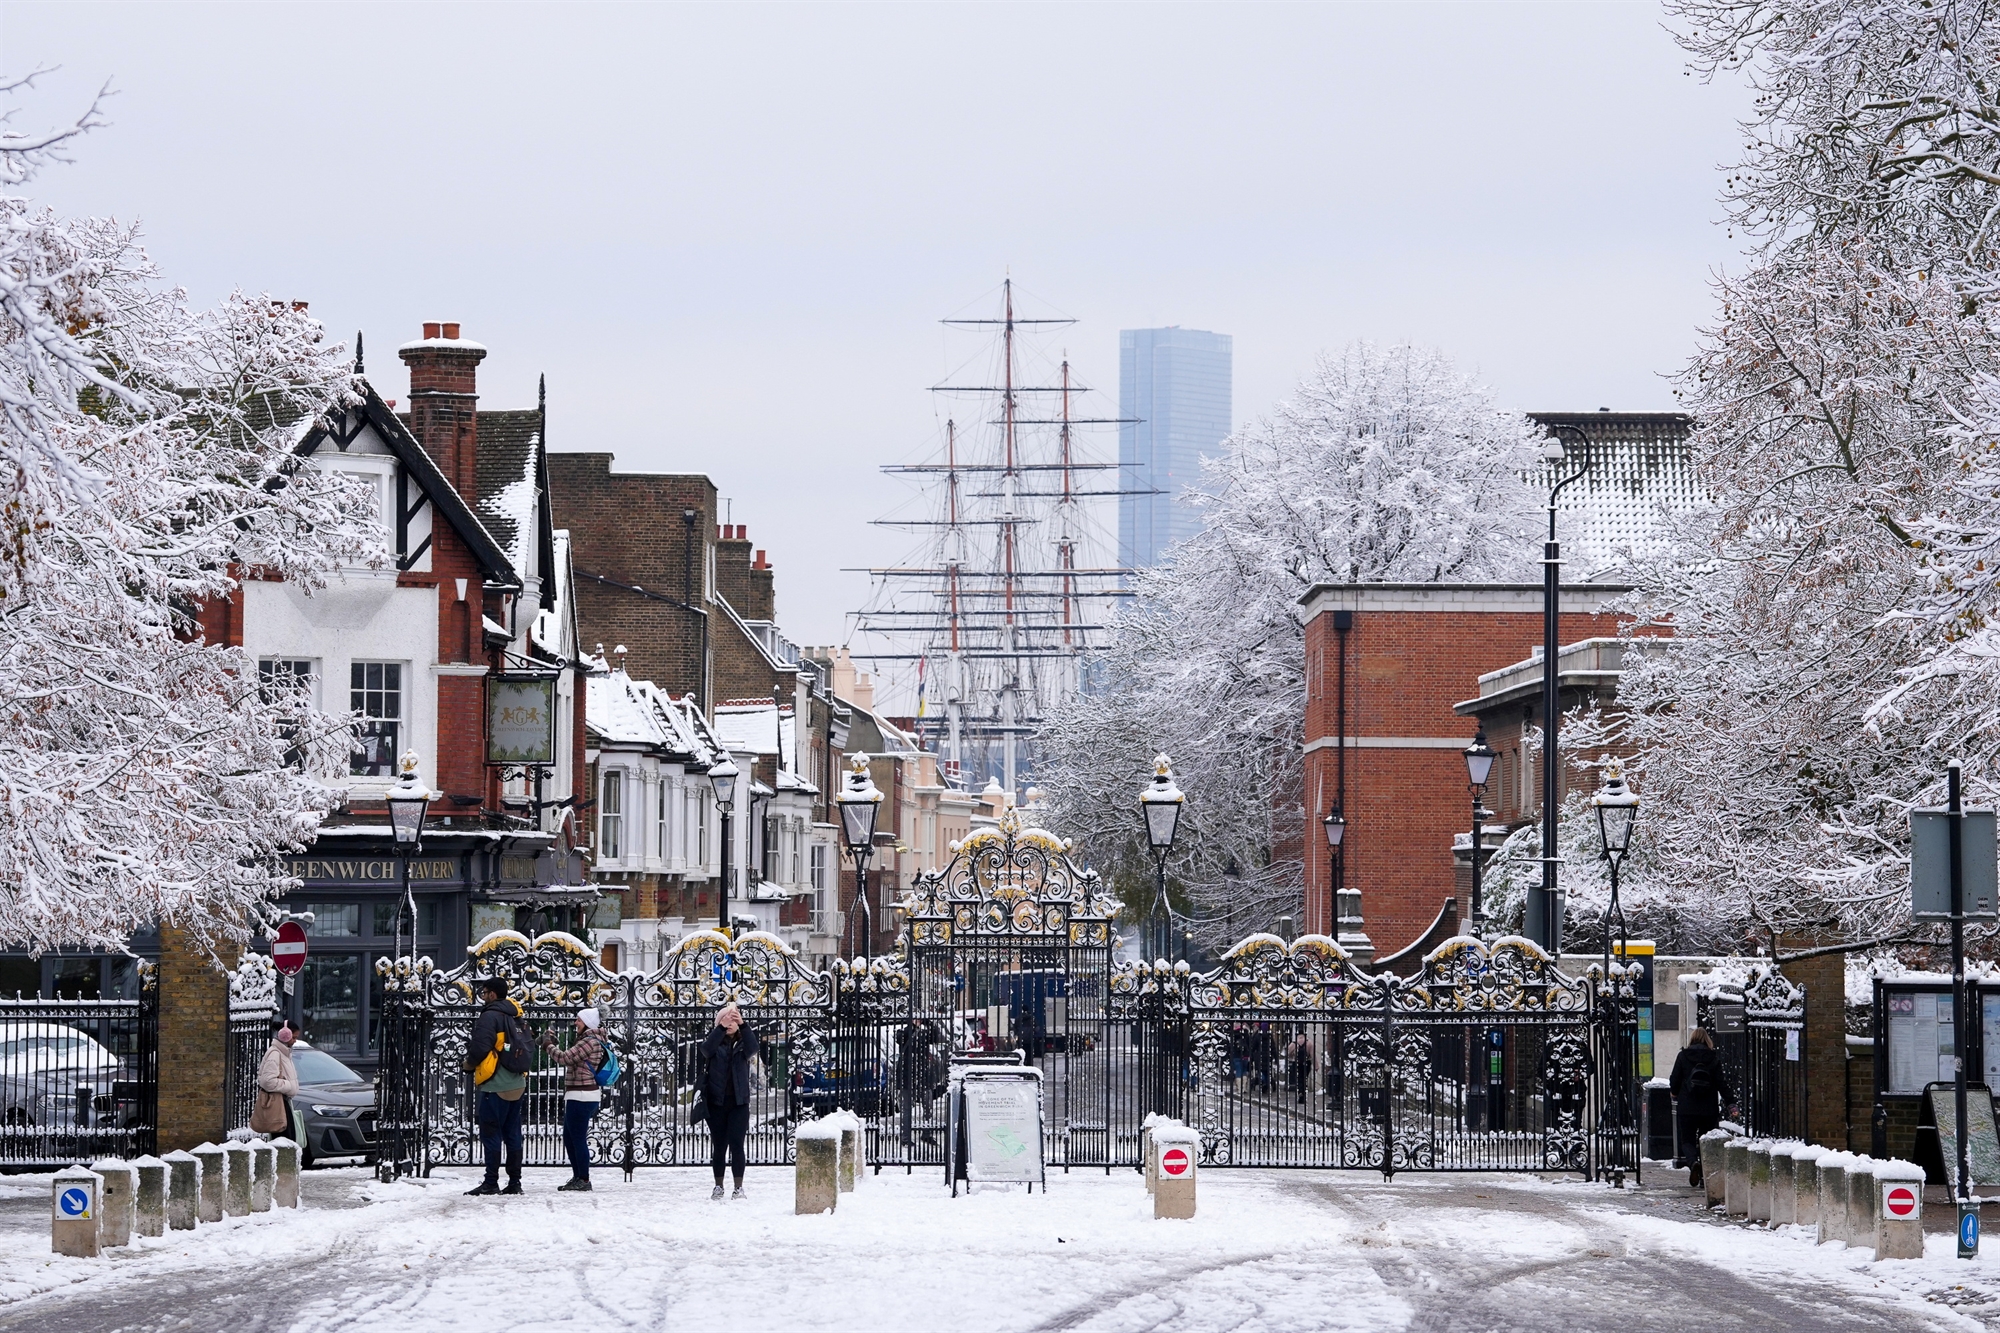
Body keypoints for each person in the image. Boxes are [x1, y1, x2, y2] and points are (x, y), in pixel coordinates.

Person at [464, 977, 529, 1196]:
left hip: (495, 1085)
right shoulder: (516, 1013)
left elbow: (480, 1046)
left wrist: (468, 1064)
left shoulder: (490, 1015)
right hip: (518, 1083)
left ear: (492, 994)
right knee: (513, 1134)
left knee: (491, 1134)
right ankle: (515, 1182)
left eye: (484, 993)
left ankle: (491, 1182)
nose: (483, 996)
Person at [543, 1007, 608, 1192]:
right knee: (570, 1138)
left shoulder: (589, 1041)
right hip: (578, 1094)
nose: (575, 1023)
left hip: (582, 1095)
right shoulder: (588, 1040)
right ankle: (578, 1176)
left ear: (587, 1022)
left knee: (577, 1138)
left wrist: (547, 1045)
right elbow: (573, 1057)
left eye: (578, 1020)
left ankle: (584, 1180)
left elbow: (565, 1058)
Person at [700, 1003, 759, 1200]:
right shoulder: (714, 1042)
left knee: (737, 1144)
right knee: (719, 1145)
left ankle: (738, 1187)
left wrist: (743, 1024)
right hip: (716, 1102)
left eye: (734, 1020)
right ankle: (718, 1186)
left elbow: (753, 1048)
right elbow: (706, 1050)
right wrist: (720, 1027)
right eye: (727, 1019)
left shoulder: (743, 1044)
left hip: (738, 1103)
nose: (731, 1023)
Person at [1668, 1027, 1735, 1187]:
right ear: (1707, 1040)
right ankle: (1706, 1177)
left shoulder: (1683, 1056)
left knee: (1687, 1141)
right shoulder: (1713, 1057)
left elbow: (1674, 1079)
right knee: (1707, 1142)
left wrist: (1674, 1093)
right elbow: (1721, 1083)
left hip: (1687, 1107)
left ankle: (1693, 1163)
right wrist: (1730, 1103)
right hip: (1708, 1108)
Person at [250, 1021, 300, 1143]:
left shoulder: (284, 1053)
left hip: (284, 1102)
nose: (295, 1041)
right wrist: (289, 1085)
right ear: (285, 1036)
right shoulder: (275, 1054)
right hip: (279, 1103)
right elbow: (267, 1081)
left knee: (288, 1140)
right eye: (293, 1037)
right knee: (284, 1141)